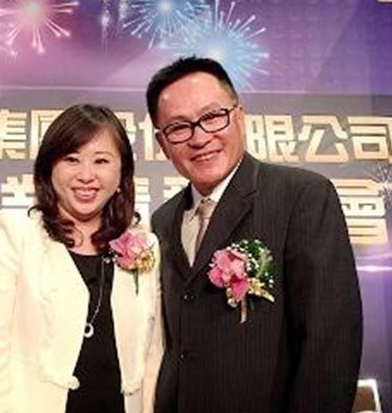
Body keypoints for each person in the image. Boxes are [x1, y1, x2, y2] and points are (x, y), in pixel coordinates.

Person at [145, 57, 363, 413]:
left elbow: (330, 341)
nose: (200, 138)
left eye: (213, 117)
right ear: (162, 142)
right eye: (179, 127)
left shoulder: (301, 196)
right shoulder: (162, 221)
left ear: (240, 116)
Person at [0, 104, 163, 413]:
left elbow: (152, 357)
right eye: (71, 159)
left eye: (101, 161)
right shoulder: (15, 234)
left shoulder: (143, 245)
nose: (86, 176)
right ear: (49, 168)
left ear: (122, 172)